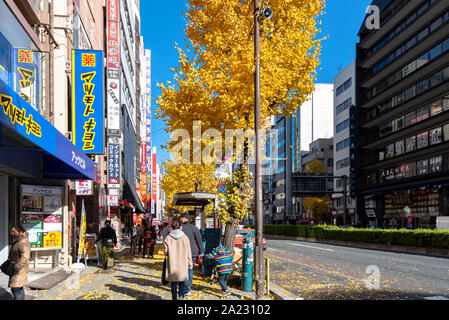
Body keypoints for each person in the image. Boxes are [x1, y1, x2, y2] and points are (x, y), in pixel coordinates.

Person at [163, 219, 192, 300]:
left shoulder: (168, 237)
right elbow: (188, 251)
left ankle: (174, 298)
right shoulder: (185, 237)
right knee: (182, 281)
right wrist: (190, 263)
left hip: (172, 262)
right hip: (183, 262)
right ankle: (181, 296)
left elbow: (165, 252)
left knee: (173, 282)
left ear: (172, 227)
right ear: (180, 227)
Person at [179, 213, 204, 297]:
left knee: (184, 270)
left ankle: (186, 288)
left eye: (180, 218)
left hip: (183, 252)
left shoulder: (181, 227)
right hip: (193, 252)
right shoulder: (194, 228)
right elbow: (199, 241)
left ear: (183, 218)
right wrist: (201, 252)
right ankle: (188, 287)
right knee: (190, 269)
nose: (179, 219)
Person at [7, 225, 31, 300]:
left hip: (19, 270)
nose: (12, 233)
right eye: (11, 231)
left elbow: (25, 257)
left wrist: (16, 267)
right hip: (18, 270)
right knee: (19, 288)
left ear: (20, 232)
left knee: (15, 289)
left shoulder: (22, 242)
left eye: (14, 231)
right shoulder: (18, 240)